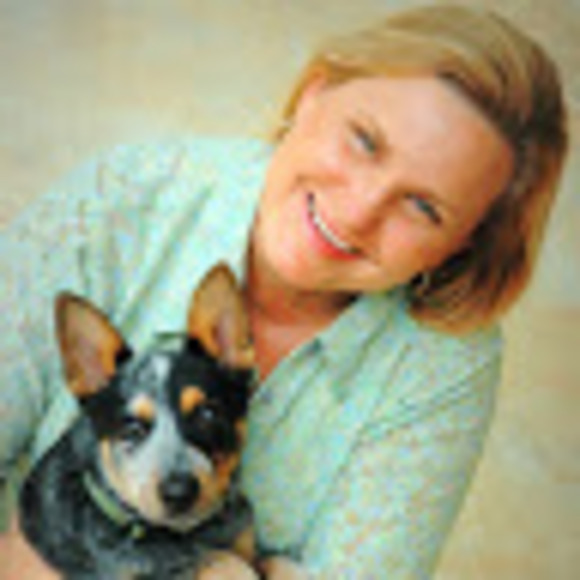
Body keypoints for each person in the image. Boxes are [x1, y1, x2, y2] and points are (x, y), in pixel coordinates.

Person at [0, 4, 568, 578]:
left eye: (423, 207)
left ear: (462, 246)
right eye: (365, 141)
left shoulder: (441, 365)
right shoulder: (125, 200)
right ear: (314, 94)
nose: (357, 211)